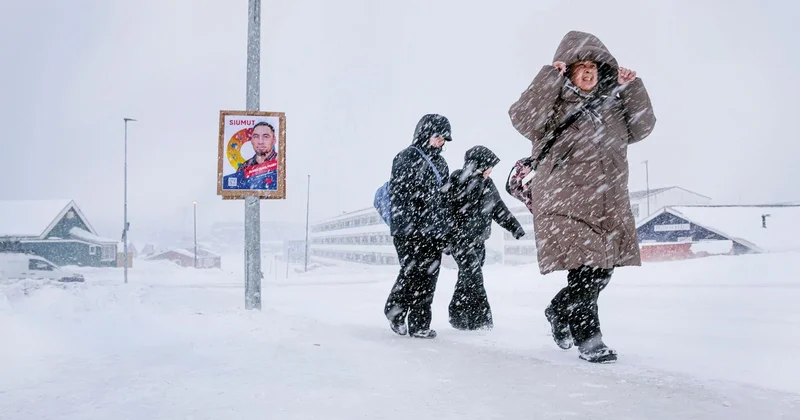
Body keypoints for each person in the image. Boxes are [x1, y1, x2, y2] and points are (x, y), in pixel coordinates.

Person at [508, 30, 657, 363]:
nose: (588, 71)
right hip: (565, 202)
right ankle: (589, 339)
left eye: (593, 65)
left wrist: (631, 88)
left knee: (602, 271)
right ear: (569, 71)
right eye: (580, 66)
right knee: (587, 271)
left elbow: (643, 127)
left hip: (607, 202)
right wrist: (549, 78)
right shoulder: (555, 105)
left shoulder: (613, 105)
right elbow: (523, 118)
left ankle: (559, 311)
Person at [384, 114, 453, 339]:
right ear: (425, 134)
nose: (441, 142)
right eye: (438, 137)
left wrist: (445, 232)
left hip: (433, 230)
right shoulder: (406, 157)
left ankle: (420, 325)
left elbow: (444, 200)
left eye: (444, 139)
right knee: (412, 272)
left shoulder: (441, 163)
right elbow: (400, 196)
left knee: (429, 277)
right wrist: (409, 228)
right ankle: (395, 311)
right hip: (409, 230)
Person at [446, 145, 525, 331]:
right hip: (460, 241)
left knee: (467, 278)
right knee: (474, 276)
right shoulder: (458, 178)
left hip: (479, 241)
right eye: (488, 166)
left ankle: (457, 316)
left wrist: (515, 228)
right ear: (479, 165)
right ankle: (480, 320)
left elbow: (499, 209)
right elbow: (446, 210)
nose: (490, 171)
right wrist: (447, 238)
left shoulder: (488, 184)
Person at [223, 121, 279, 190]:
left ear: (274, 140)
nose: (260, 142)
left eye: (266, 136)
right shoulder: (244, 167)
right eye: (256, 136)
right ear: (251, 141)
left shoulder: (281, 163)